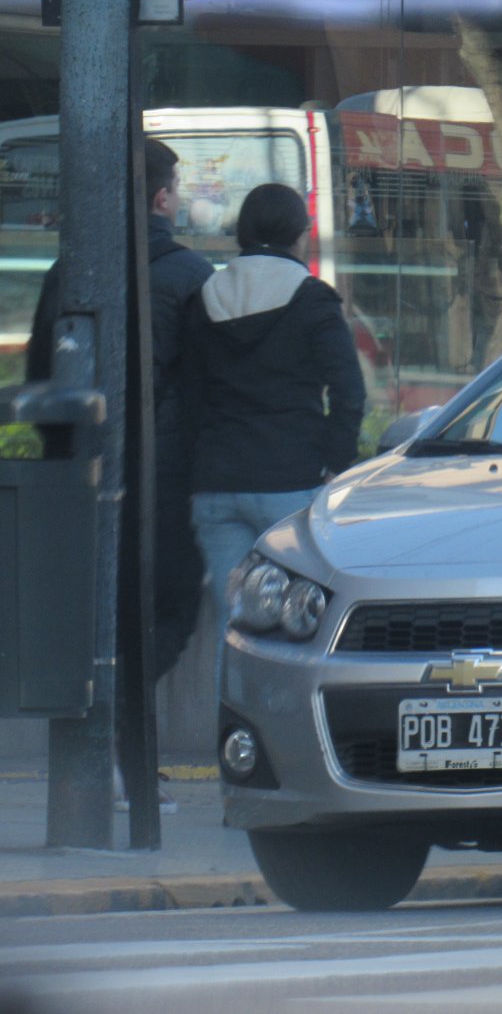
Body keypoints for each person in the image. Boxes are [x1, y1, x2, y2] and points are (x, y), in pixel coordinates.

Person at [27, 138, 213, 814]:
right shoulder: (193, 274)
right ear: (162, 196)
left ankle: (107, 750)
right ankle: (117, 749)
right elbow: (205, 386)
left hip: (82, 469)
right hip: (164, 476)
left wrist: (63, 459)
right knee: (164, 613)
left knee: (96, 619)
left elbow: (41, 376)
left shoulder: (66, 270)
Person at [183, 182, 365, 684]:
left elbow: (189, 397)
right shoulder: (312, 300)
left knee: (233, 624)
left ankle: (232, 742)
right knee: (296, 627)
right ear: (297, 235)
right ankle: (279, 746)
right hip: (290, 482)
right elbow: (349, 392)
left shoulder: (204, 300)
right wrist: (332, 462)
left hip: (216, 483)